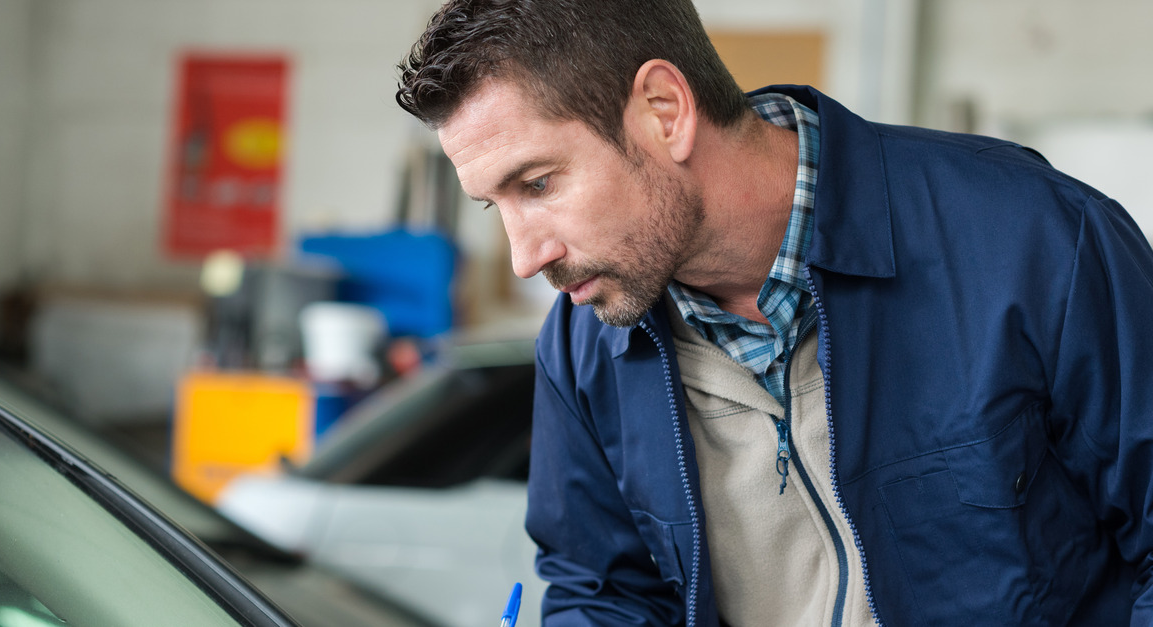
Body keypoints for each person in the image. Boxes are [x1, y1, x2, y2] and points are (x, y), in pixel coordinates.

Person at [395, 1, 1153, 625]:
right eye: (493, 204)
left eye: (537, 183)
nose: (524, 254)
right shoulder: (583, 340)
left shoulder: (1032, 241)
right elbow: (607, 592)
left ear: (664, 111)